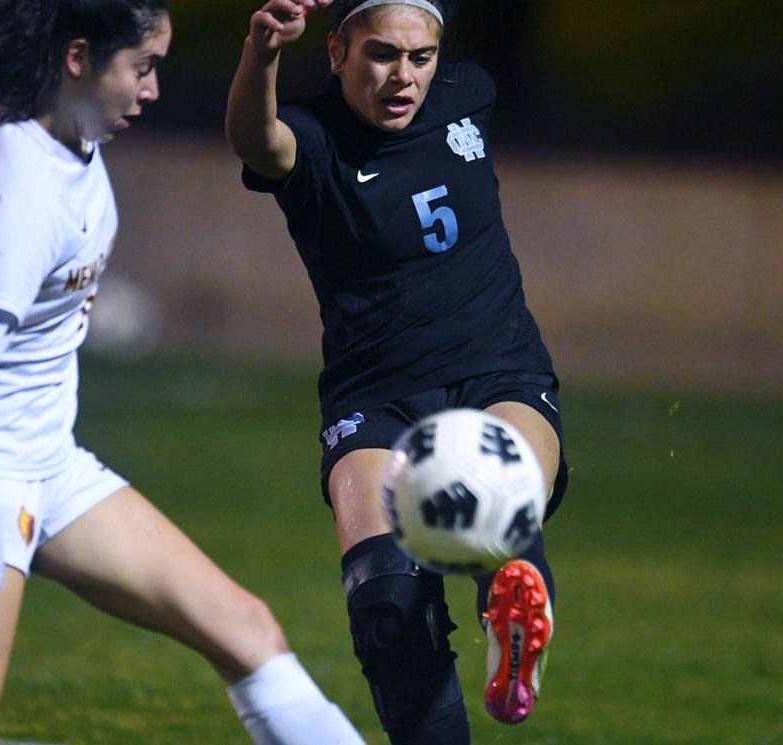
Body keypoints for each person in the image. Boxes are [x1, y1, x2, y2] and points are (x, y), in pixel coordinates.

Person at [0, 2, 367, 744]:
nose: (151, 91)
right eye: (141, 68)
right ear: (78, 58)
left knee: (247, 630)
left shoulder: (24, 113)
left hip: (47, 459)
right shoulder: (20, 196)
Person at [226, 0, 566, 742]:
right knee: (385, 603)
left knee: (487, 494)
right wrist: (261, 52)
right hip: (375, 394)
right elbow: (256, 139)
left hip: (497, 372)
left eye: (420, 57)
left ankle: (512, 606)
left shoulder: (466, 92)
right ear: (337, 51)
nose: (402, 77)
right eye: (380, 54)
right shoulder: (314, 140)